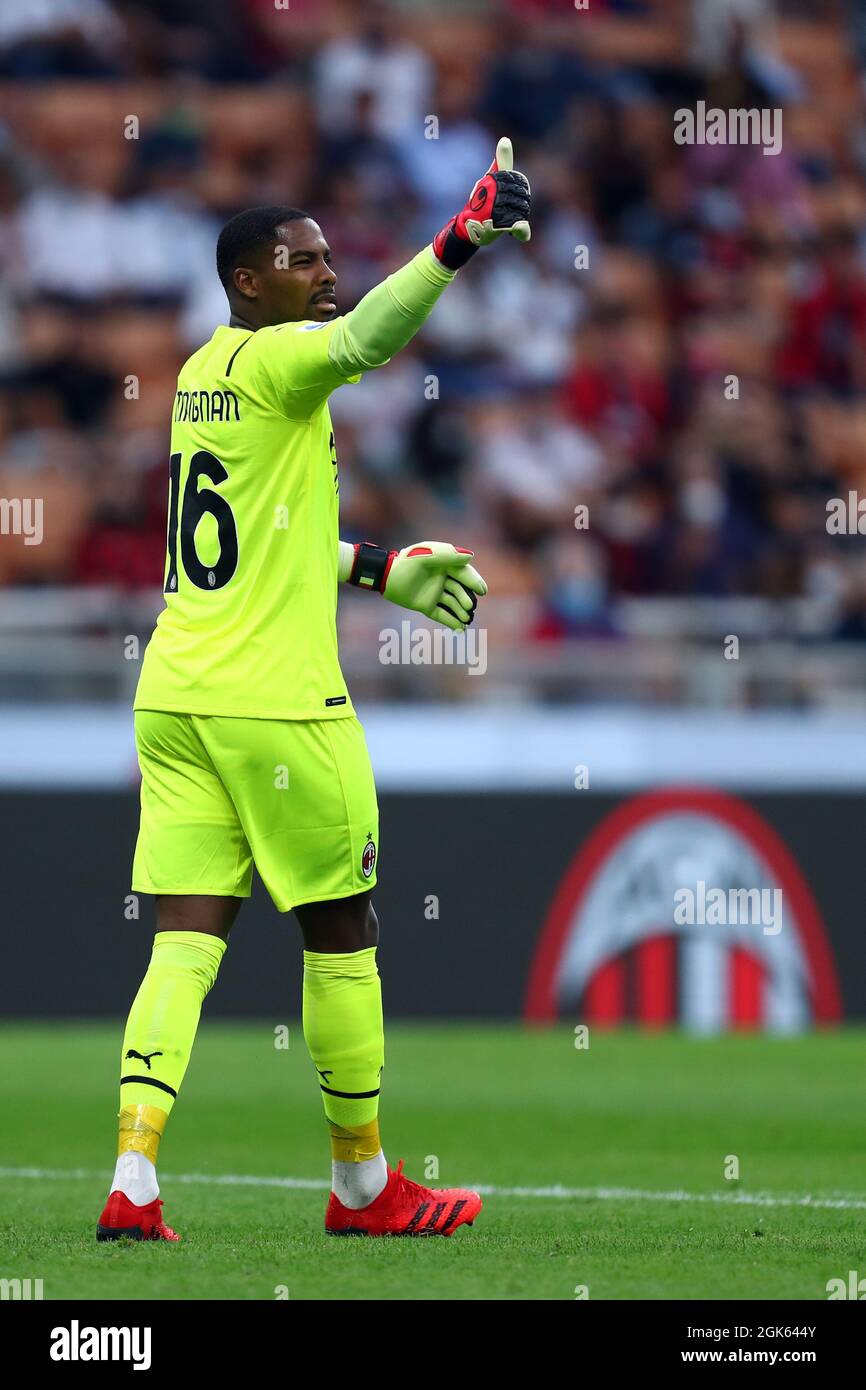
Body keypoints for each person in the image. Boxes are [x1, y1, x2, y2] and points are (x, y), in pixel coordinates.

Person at [96, 140, 531, 1240]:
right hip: (277, 703)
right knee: (343, 932)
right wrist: (460, 238)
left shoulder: (201, 373)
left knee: (185, 941)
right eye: (303, 259)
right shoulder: (287, 357)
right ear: (250, 281)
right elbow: (367, 338)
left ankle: (133, 1182)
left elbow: (257, 540)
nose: (326, 272)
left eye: (329, 256)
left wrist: (380, 567)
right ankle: (362, 1187)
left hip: (177, 694)